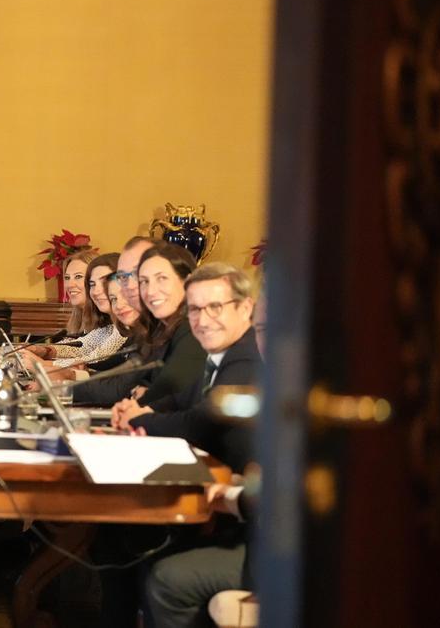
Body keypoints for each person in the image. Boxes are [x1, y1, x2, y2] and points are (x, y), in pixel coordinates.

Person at [121, 263, 263, 628]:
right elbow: (185, 399)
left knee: (165, 573)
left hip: (259, 534)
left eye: (214, 307)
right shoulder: (222, 356)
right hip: (235, 512)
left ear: (245, 308)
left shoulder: (246, 360)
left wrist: (139, 419)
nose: (203, 319)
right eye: (195, 309)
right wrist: (146, 409)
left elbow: (202, 420)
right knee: (141, 548)